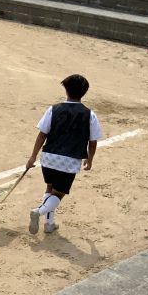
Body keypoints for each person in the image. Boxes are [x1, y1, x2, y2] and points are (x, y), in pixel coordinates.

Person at [25, 74, 101, 235]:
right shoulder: (90, 115)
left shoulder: (53, 109)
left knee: (50, 188)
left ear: (66, 90)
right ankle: (38, 211)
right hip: (69, 161)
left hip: (48, 157)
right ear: (84, 92)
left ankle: (49, 224)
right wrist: (90, 159)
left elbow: (42, 134)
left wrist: (32, 157)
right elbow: (93, 142)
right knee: (59, 193)